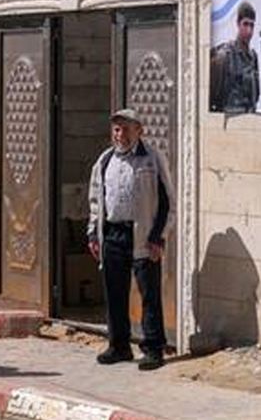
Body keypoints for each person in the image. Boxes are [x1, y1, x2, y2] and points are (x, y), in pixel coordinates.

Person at [87, 109, 171, 371]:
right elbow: (95, 200)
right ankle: (119, 346)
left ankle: (153, 348)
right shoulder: (105, 160)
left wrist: (158, 237)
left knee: (149, 294)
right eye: (116, 129)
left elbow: (168, 202)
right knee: (115, 292)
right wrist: (93, 233)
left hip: (143, 236)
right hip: (113, 235)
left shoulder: (152, 158)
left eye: (125, 129)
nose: (120, 134)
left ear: (139, 131)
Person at [210, 1, 260, 114]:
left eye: (252, 25)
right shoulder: (224, 57)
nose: (249, 31)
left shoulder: (253, 58)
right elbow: (212, 100)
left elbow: (255, 96)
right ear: (238, 23)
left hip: (250, 119)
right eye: (245, 24)